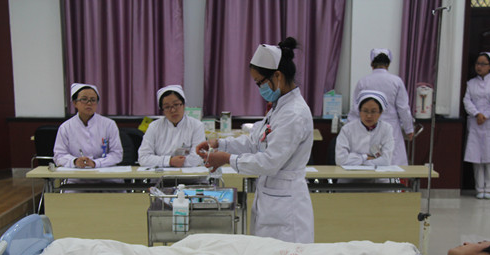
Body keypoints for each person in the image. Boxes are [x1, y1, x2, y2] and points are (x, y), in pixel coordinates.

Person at [195, 37, 314, 243]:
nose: (259, 88)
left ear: (277, 75)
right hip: (272, 201)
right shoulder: (279, 108)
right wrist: (220, 144)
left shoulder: (294, 114)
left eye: (260, 82)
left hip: (287, 209)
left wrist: (227, 159)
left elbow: (270, 161)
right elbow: (254, 142)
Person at [347, 48, 414, 166]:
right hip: (392, 129)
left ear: (371, 64)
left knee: (369, 162)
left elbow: (355, 110)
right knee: (393, 163)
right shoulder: (396, 81)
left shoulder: (363, 81)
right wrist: (409, 129)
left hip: (367, 128)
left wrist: (349, 130)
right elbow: (403, 109)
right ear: (388, 64)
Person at [463, 52, 490, 200]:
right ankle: (479, 188)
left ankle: (489, 188)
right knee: (476, 157)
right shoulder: (471, 83)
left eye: (483, 64)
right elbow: (467, 101)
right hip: (476, 122)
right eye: (478, 63)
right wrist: (477, 114)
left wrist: (486, 115)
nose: (479, 67)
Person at [53, 83, 123, 169]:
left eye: (93, 100)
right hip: (76, 174)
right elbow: (59, 155)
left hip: (104, 173)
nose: (89, 103)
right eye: (84, 99)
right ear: (75, 103)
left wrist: (95, 163)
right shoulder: (65, 127)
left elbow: (117, 154)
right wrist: (75, 161)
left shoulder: (109, 124)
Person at [138, 85, 205, 168]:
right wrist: (169, 161)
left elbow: (198, 158)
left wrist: (161, 161)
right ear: (162, 110)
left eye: (176, 104)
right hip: (160, 175)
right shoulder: (154, 127)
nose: (172, 110)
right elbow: (143, 158)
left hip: (189, 175)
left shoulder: (196, 126)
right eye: (167, 107)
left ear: (184, 105)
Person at [335, 90, 394, 167]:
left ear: (381, 112)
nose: (369, 116)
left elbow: (386, 161)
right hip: (351, 174)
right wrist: (365, 157)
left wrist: (357, 160)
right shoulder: (347, 129)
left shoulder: (386, 129)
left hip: (378, 174)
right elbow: (340, 160)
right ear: (359, 111)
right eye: (365, 111)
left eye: (373, 111)